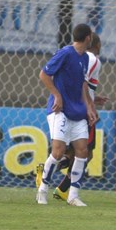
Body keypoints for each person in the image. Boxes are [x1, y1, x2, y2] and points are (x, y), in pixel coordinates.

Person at [37, 23, 99, 206]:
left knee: (82, 151)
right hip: (60, 111)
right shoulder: (65, 53)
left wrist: (89, 107)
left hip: (78, 111)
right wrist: (57, 95)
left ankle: (73, 195)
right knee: (58, 150)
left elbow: (83, 84)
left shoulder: (86, 58)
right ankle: (42, 190)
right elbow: (44, 74)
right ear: (88, 38)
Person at [50, 33, 108, 202]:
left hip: (69, 107)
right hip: (80, 110)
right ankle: (65, 189)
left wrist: (94, 99)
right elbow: (83, 84)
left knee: (70, 150)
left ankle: (57, 181)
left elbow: (79, 85)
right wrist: (90, 106)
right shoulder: (94, 59)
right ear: (95, 45)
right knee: (85, 153)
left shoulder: (76, 56)